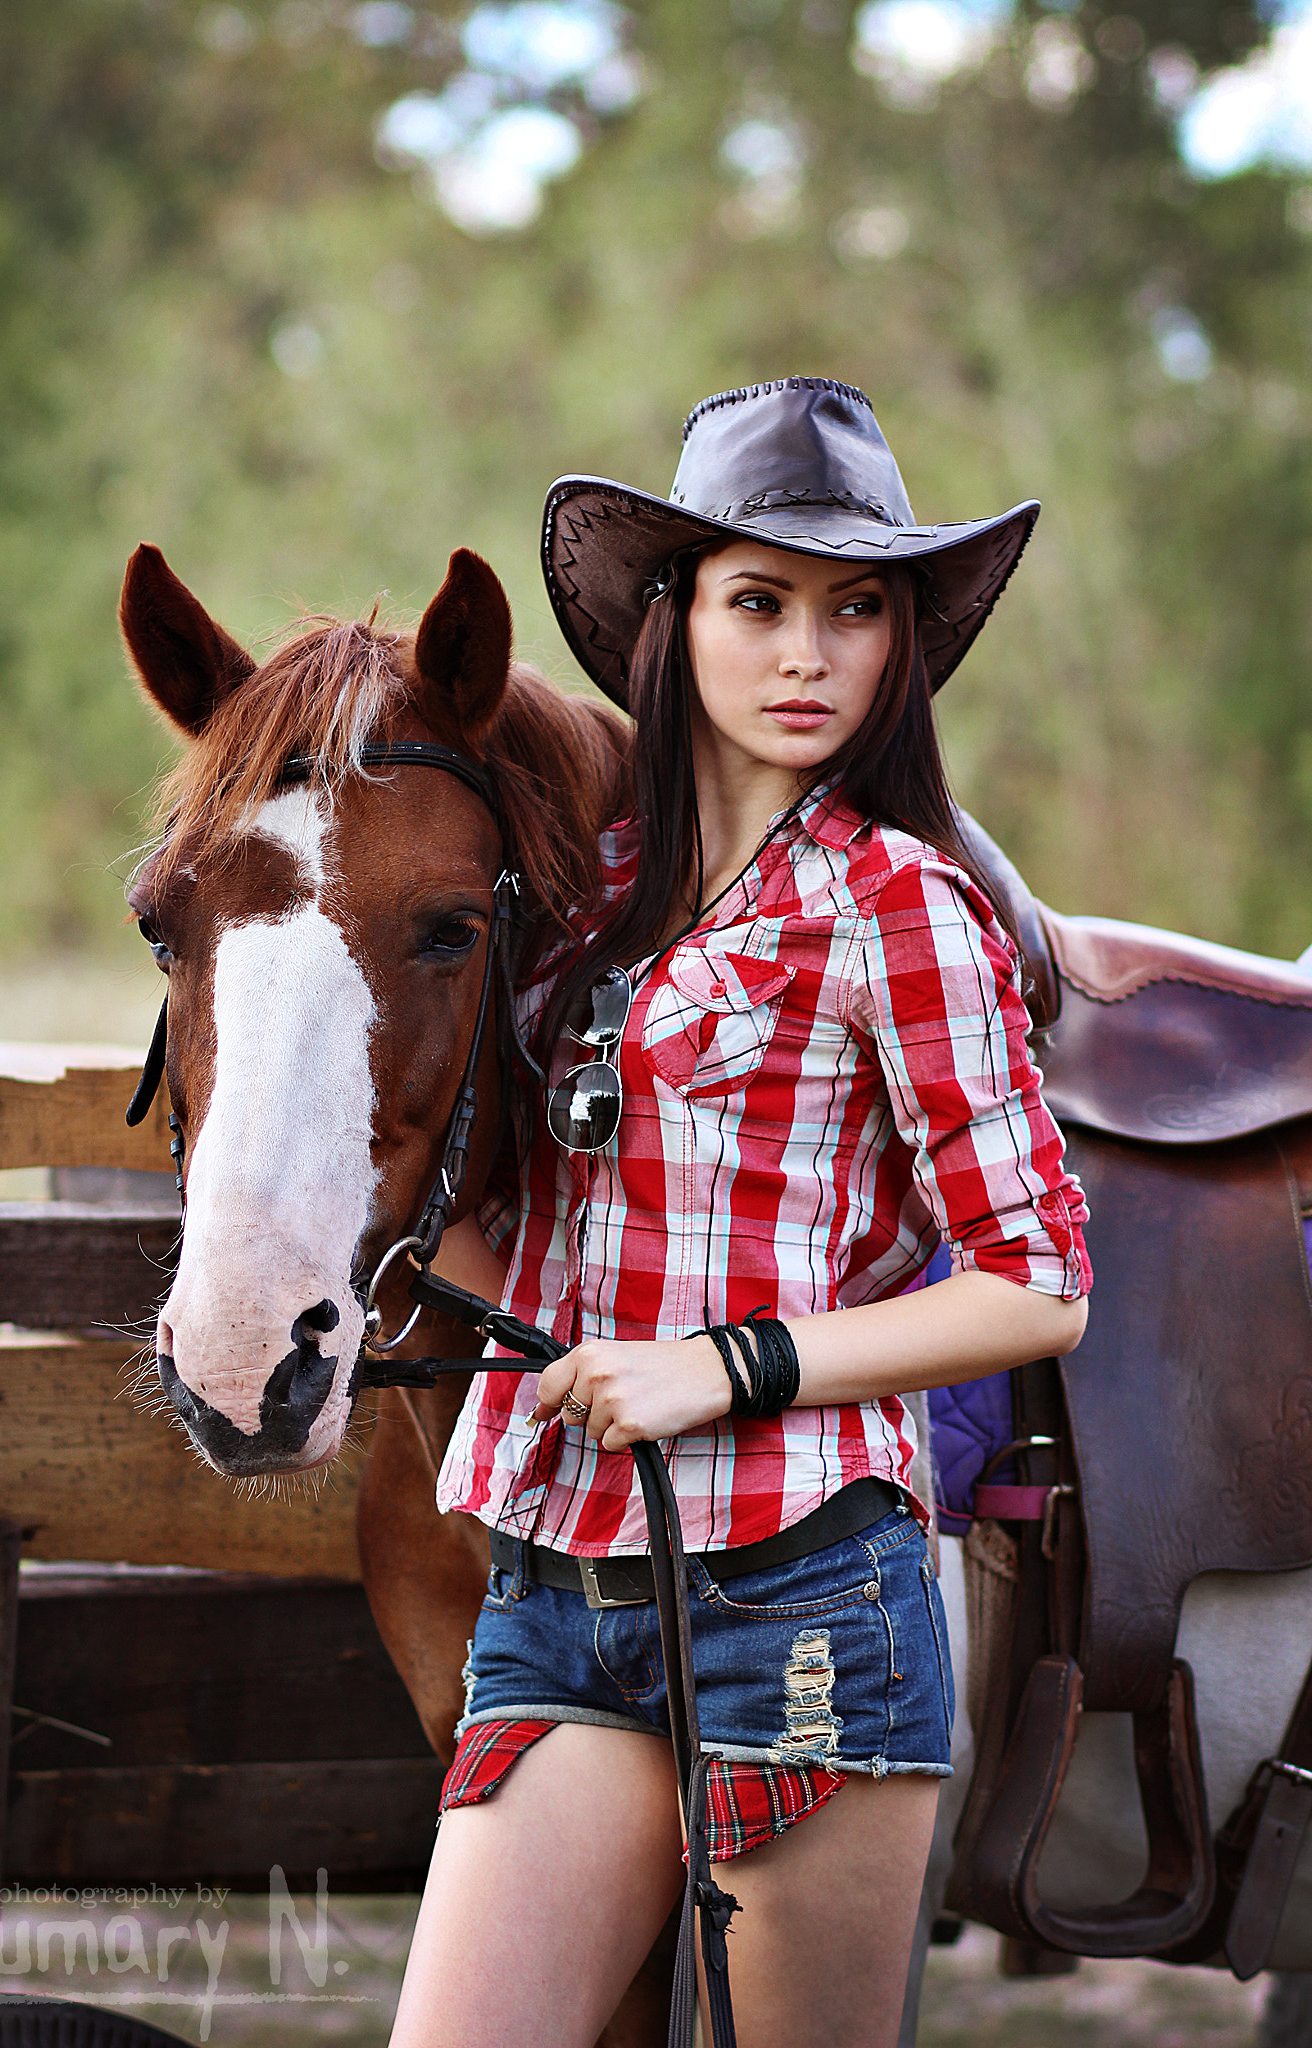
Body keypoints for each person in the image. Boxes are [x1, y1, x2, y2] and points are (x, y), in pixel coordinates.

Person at [389, 376, 1091, 2048]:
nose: (807, 656)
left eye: (857, 612)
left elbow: (1036, 1278)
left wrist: (721, 1366)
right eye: (758, 602)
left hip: (802, 1613)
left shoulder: (899, 906)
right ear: (673, 617)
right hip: (557, 1594)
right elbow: (529, 1231)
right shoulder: (581, 912)